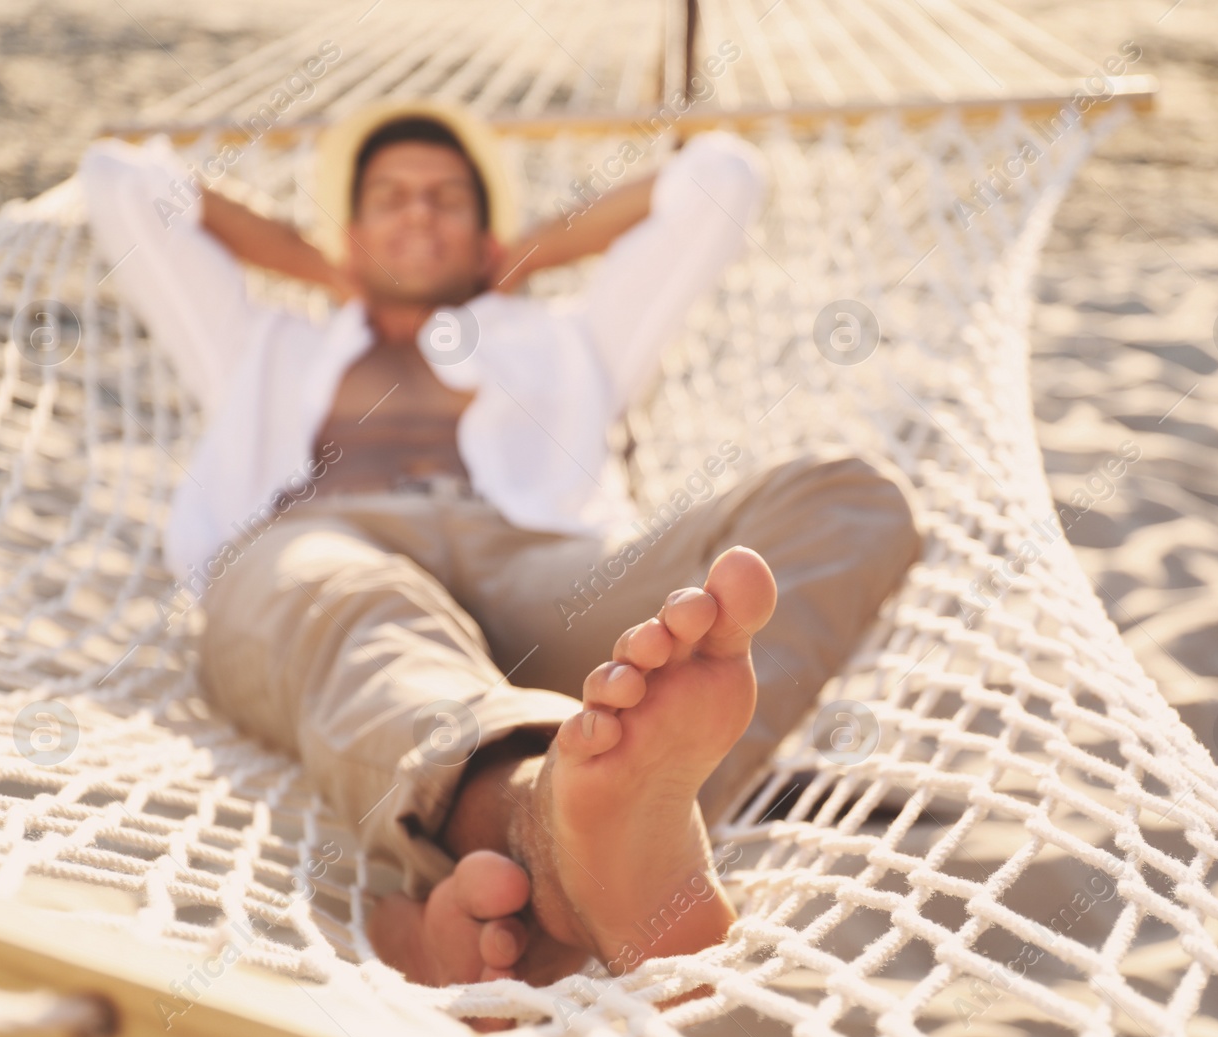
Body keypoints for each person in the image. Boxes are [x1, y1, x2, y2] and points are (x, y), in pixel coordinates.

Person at [78, 99, 920, 990]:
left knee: (850, 497)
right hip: (322, 542)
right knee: (368, 615)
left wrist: (520, 261)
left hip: (540, 566)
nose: (418, 213)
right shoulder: (265, 348)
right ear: (352, 234)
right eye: (390, 198)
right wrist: (329, 269)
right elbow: (122, 181)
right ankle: (530, 828)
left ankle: (604, 843)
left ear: (485, 235)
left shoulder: (561, 343)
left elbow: (720, 178)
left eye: (447, 199)